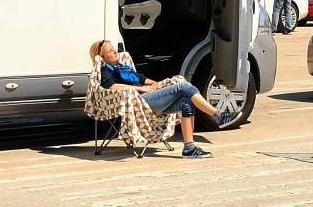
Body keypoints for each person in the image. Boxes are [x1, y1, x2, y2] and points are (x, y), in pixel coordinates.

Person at [91, 39, 233, 158]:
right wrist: (142, 88)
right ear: (102, 58)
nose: (115, 51)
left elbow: (146, 80)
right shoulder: (105, 70)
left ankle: (189, 148)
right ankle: (217, 115)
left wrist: (156, 86)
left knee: (186, 102)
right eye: (110, 51)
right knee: (184, 87)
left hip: (150, 98)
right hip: (139, 102)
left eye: (114, 49)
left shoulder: (123, 68)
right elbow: (112, 87)